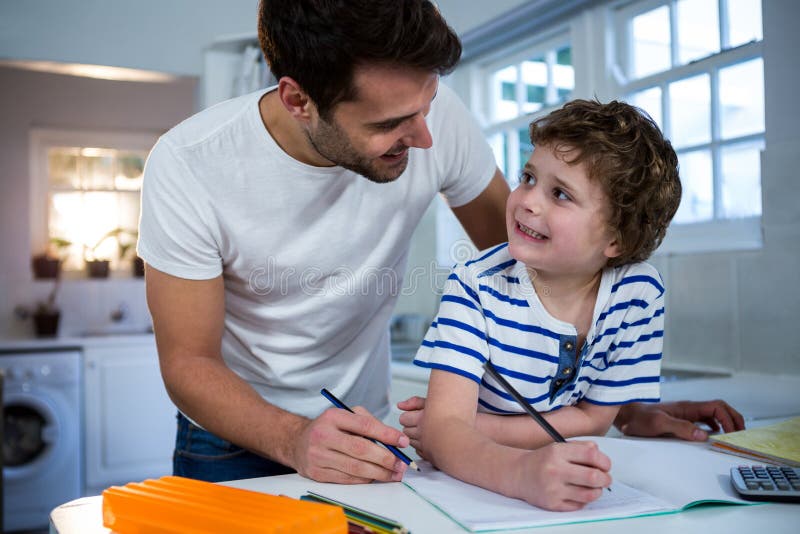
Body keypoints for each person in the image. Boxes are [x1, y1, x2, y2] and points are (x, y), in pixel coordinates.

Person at [138, 0, 743, 487]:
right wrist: (294, 437)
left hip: (368, 424)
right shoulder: (190, 165)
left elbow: (536, 282)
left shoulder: (431, 118)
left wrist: (624, 407)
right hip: (231, 439)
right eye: (389, 124)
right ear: (300, 100)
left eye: (426, 107)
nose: (426, 138)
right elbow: (189, 362)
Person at [408, 99, 691, 511]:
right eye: (528, 177)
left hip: (548, 477)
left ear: (617, 240)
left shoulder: (639, 295)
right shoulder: (476, 285)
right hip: (473, 489)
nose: (527, 200)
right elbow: (441, 436)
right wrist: (520, 472)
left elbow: (597, 420)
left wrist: (474, 426)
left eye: (560, 194)